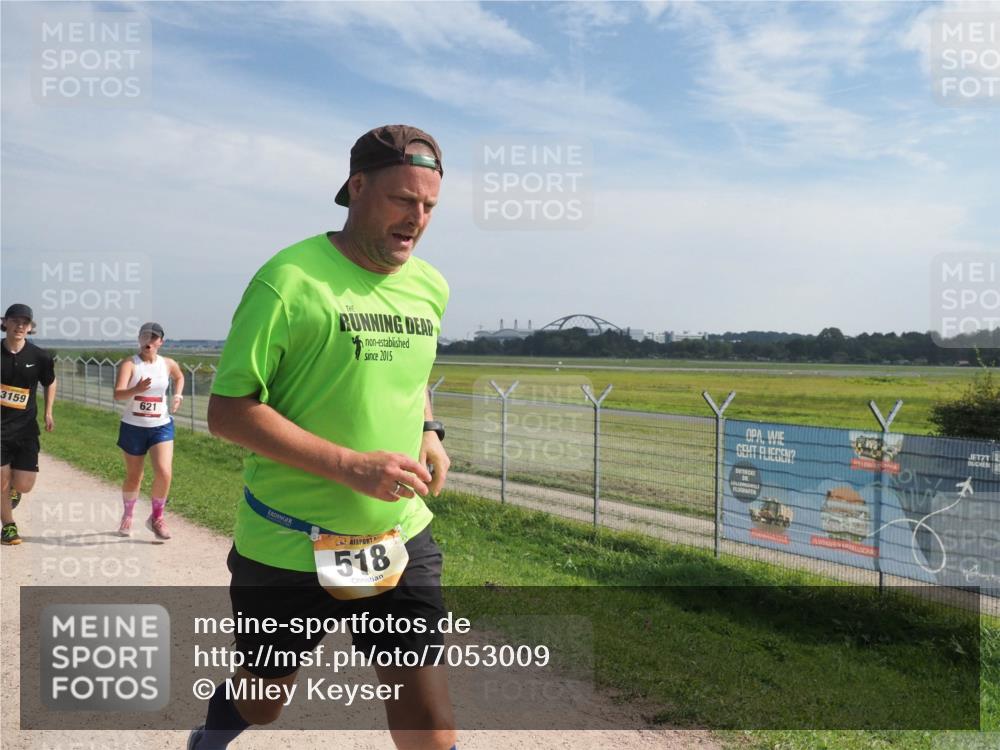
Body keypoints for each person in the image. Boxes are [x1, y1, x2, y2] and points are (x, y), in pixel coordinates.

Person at [189, 125, 454, 750]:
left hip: (396, 536)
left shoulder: (430, 286)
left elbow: (411, 374)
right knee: (263, 704)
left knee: (430, 723)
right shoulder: (287, 280)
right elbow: (228, 412)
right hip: (289, 543)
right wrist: (350, 466)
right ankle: (214, 731)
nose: (416, 220)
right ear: (357, 187)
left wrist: (427, 429)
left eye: (429, 206)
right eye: (402, 200)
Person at [112, 321, 184, 540]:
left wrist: (178, 395)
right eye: (144, 336)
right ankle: (128, 514)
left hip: (161, 425)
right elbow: (118, 394)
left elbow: (179, 377)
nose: (148, 341)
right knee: (135, 477)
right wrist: (136, 389)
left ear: (161, 342)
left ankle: (157, 518)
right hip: (133, 427)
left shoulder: (168, 364)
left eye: (153, 338)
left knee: (164, 472)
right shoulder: (130, 364)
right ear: (139, 340)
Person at [1, 304, 57, 546]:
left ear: (31, 327)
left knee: (24, 484)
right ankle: (8, 526)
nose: (20, 325)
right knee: (1, 479)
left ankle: (14, 488)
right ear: (5, 322)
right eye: (15, 320)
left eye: (25, 322)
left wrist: (48, 411)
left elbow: (50, 382)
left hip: (25, 430)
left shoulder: (40, 357)